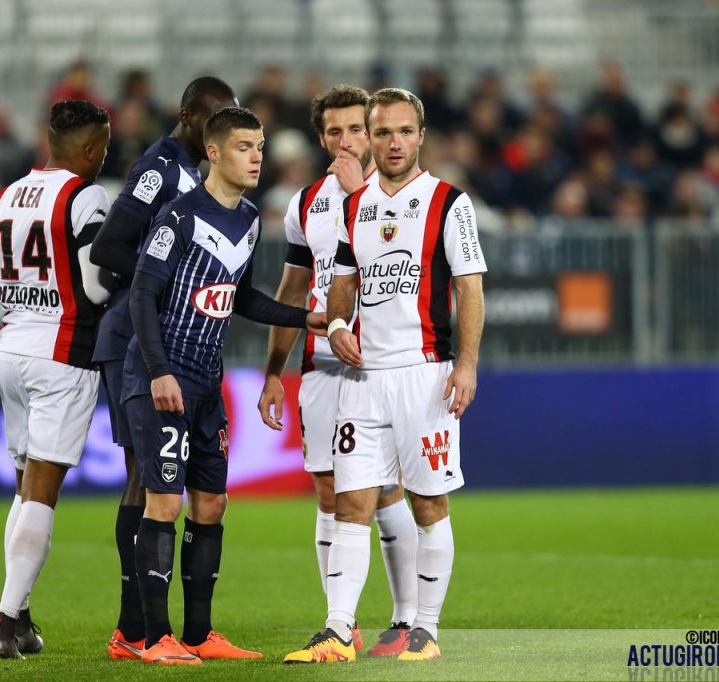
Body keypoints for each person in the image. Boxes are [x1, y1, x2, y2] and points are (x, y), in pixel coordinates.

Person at [284, 87, 486, 664]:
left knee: (427, 503)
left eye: (403, 132)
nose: (393, 142)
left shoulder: (450, 202)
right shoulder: (355, 205)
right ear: (370, 138)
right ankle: (338, 629)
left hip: (424, 375)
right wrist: (341, 321)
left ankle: (424, 629)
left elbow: (470, 288)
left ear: (421, 136)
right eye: (383, 132)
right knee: (351, 502)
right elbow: (341, 276)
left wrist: (467, 365)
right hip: (362, 378)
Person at [122, 106, 327, 665]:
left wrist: (301, 316)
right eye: (244, 146)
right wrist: (160, 370)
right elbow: (141, 295)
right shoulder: (178, 217)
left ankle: (198, 634)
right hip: (163, 377)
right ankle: (152, 638)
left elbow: (239, 297)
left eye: (260, 146)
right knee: (163, 502)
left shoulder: (251, 218)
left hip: (208, 386)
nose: (257, 155)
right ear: (213, 152)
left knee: (210, 504)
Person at [0, 100, 115, 659]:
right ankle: (5, 623)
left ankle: (23, 615)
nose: (105, 154)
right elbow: (97, 288)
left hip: (10, 354)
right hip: (62, 354)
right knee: (43, 489)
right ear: (88, 149)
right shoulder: (86, 197)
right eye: (103, 145)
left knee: (23, 486)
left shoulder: (3, 196)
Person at [256, 84, 419, 656]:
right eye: (335, 132)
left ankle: (405, 622)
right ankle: (338, 625)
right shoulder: (307, 203)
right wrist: (274, 369)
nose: (347, 141)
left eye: (357, 129)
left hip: (388, 365)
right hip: (322, 363)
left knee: (383, 491)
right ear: (321, 137)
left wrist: (359, 197)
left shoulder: (403, 195)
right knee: (327, 490)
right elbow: (294, 287)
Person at [88, 75, 237, 662]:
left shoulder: (197, 172)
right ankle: (137, 630)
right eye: (213, 117)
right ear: (186, 115)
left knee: (148, 481)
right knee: (148, 482)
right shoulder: (161, 167)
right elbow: (107, 247)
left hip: (163, 339)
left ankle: (159, 630)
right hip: (135, 336)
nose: (221, 129)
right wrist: (169, 281)